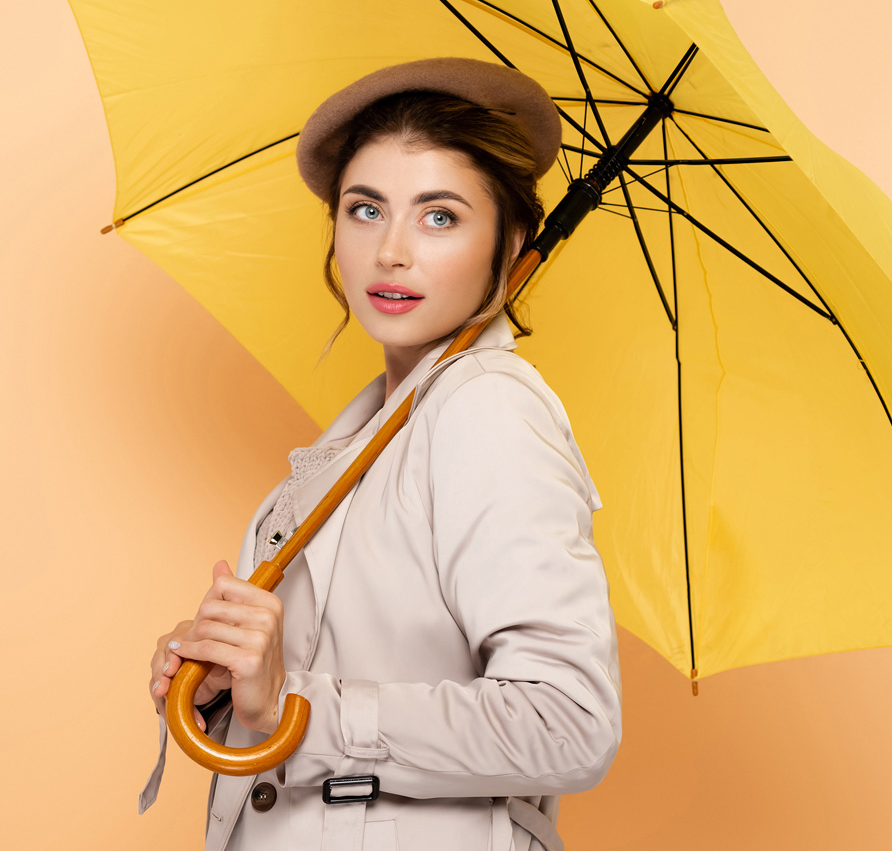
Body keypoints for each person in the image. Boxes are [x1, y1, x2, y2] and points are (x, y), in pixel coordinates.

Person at [142, 58, 622, 851]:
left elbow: (567, 721)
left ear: (512, 244)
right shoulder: (373, 427)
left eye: (440, 218)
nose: (391, 252)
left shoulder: (487, 411)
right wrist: (230, 689)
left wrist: (294, 708)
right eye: (366, 210)